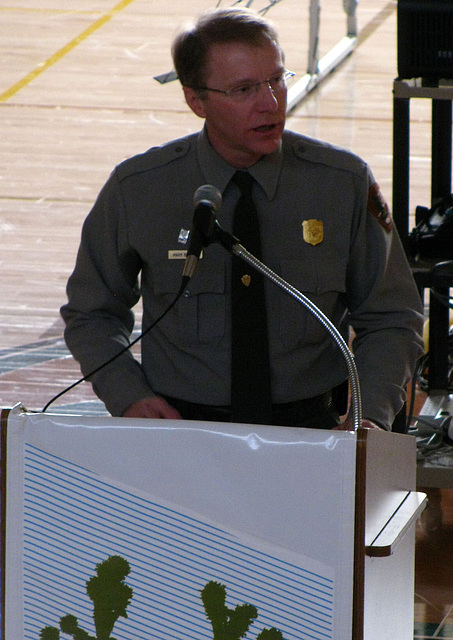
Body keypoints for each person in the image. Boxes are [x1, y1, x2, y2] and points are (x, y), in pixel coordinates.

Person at [61, 7, 424, 430]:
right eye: (244, 89)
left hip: (312, 428)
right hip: (181, 430)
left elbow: (392, 316)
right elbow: (92, 312)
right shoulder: (140, 189)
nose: (270, 103)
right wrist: (128, 395)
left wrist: (369, 416)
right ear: (196, 100)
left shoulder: (340, 184)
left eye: (276, 80)